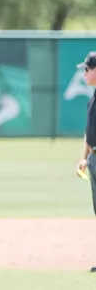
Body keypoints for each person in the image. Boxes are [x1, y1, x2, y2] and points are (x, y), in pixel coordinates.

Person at [75, 52, 96, 274]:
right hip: (94, 159)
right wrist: (84, 157)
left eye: (88, 69)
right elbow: (89, 133)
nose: (85, 72)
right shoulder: (93, 98)